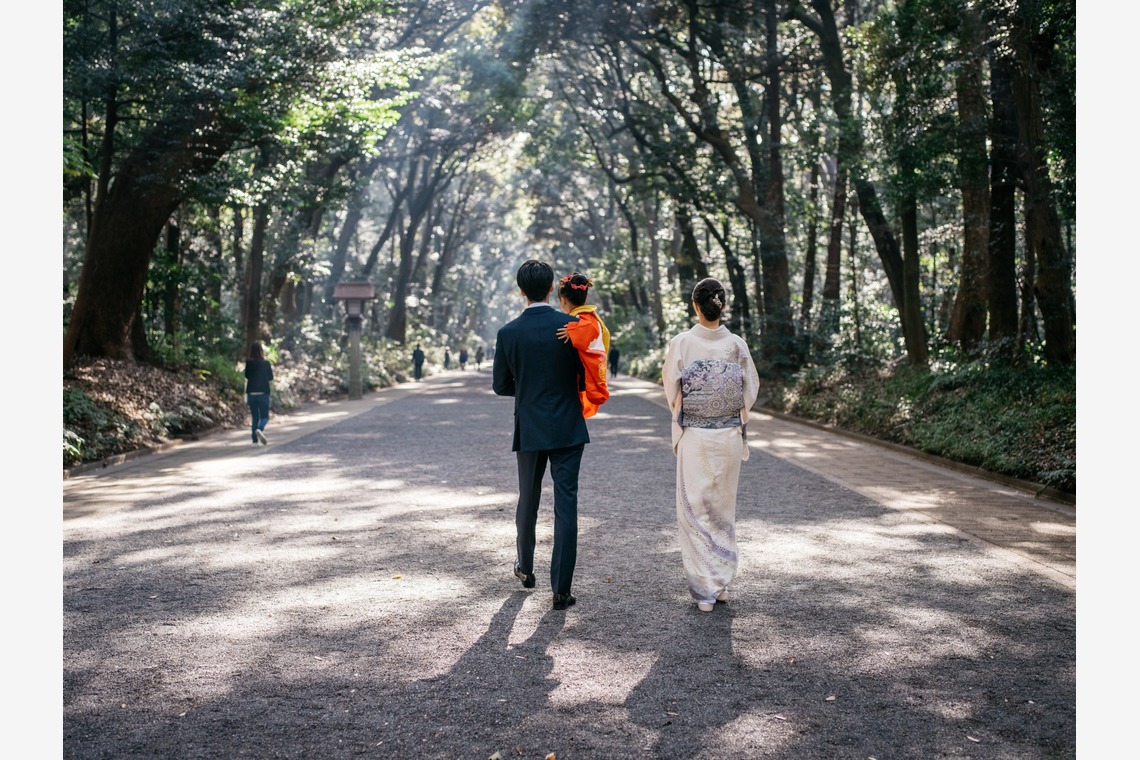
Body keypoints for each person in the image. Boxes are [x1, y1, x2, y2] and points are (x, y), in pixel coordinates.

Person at [493, 260, 590, 611]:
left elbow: (501, 385)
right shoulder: (573, 326)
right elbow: (585, 374)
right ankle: (561, 589)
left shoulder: (508, 333)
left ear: (521, 291)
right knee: (567, 506)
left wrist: (528, 389)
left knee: (528, 498)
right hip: (568, 425)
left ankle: (525, 567)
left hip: (530, 424)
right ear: (551, 289)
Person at [662, 278, 759, 613]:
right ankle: (721, 584)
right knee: (722, 509)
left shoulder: (682, 343)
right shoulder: (736, 345)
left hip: (696, 437)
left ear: (695, 305)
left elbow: (672, 390)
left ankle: (705, 588)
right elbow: (750, 390)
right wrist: (727, 406)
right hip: (728, 436)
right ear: (722, 306)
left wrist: (691, 404)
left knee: (695, 509)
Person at [554, 272, 610, 418]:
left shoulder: (581, 319)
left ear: (563, 300)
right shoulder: (589, 318)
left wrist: (572, 331)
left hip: (578, 376)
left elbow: (587, 330)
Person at [244, 341, 274, 445]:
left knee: (255, 417)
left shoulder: (249, 363)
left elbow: (246, 376)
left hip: (251, 393)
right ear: (261, 351)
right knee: (265, 417)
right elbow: (271, 377)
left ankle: (254, 439)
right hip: (263, 392)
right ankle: (260, 429)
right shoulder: (266, 363)